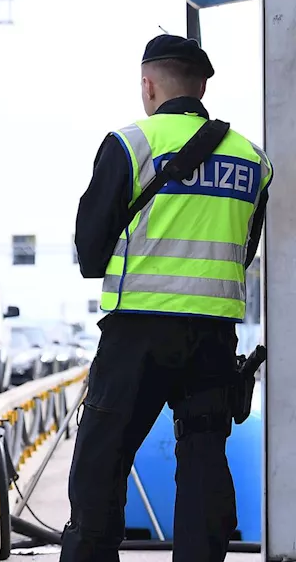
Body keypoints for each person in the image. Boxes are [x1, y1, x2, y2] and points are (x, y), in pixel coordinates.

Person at [62, 34, 271, 562]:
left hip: (138, 332)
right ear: (202, 86)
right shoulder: (252, 160)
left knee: (101, 464)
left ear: (148, 85)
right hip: (213, 336)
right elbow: (245, 250)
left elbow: (90, 253)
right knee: (203, 461)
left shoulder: (130, 143)